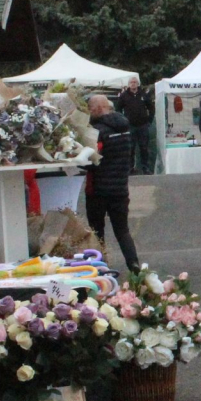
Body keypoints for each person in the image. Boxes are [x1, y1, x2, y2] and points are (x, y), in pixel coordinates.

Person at [85, 94, 140, 272]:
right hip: (120, 188)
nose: (89, 112)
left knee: (97, 231)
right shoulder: (125, 127)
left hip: (98, 189)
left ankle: (100, 267)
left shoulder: (96, 131)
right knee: (122, 230)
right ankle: (134, 265)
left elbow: (93, 160)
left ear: (98, 109)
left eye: (90, 109)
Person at [117, 76, 156, 175]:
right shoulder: (124, 96)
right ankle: (130, 168)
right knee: (131, 147)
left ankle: (145, 168)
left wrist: (149, 121)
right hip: (130, 126)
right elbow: (118, 109)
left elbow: (151, 108)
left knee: (144, 147)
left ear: (138, 84)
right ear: (129, 84)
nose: (133, 84)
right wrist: (123, 121)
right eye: (131, 82)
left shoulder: (143, 94)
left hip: (143, 125)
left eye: (135, 82)